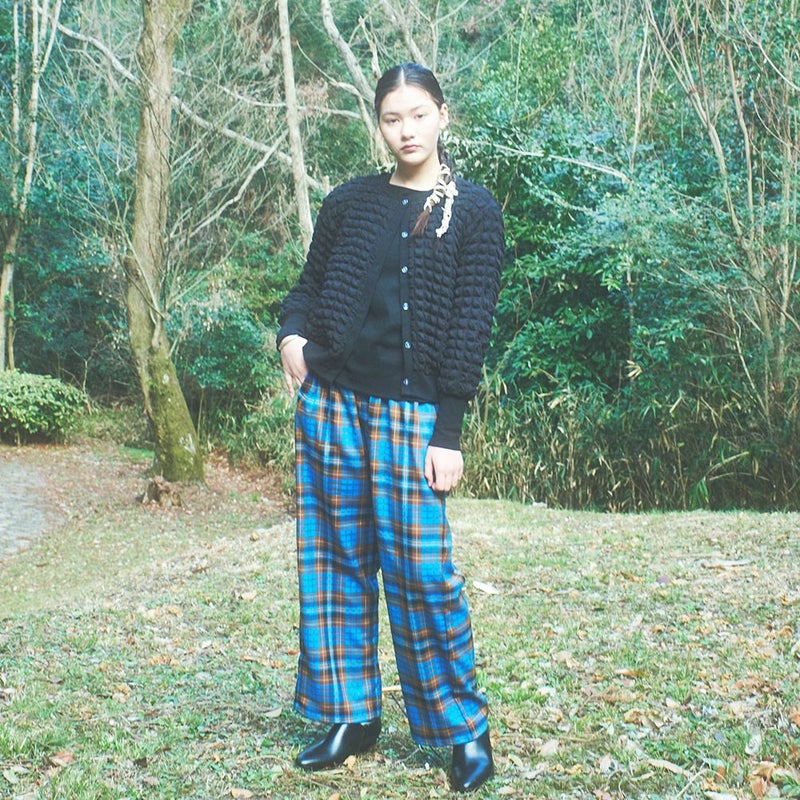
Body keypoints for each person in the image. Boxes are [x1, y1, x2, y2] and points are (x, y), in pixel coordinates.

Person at [276, 62, 504, 793]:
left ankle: (460, 728)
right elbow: (308, 289)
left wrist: (449, 433)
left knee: (424, 575)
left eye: (418, 114)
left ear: (443, 115)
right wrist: (291, 340)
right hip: (334, 406)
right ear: (379, 124)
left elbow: (470, 327)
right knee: (336, 563)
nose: (406, 130)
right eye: (391, 118)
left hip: (414, 419)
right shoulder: (351, 202)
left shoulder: (473, 212)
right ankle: (350, 716)